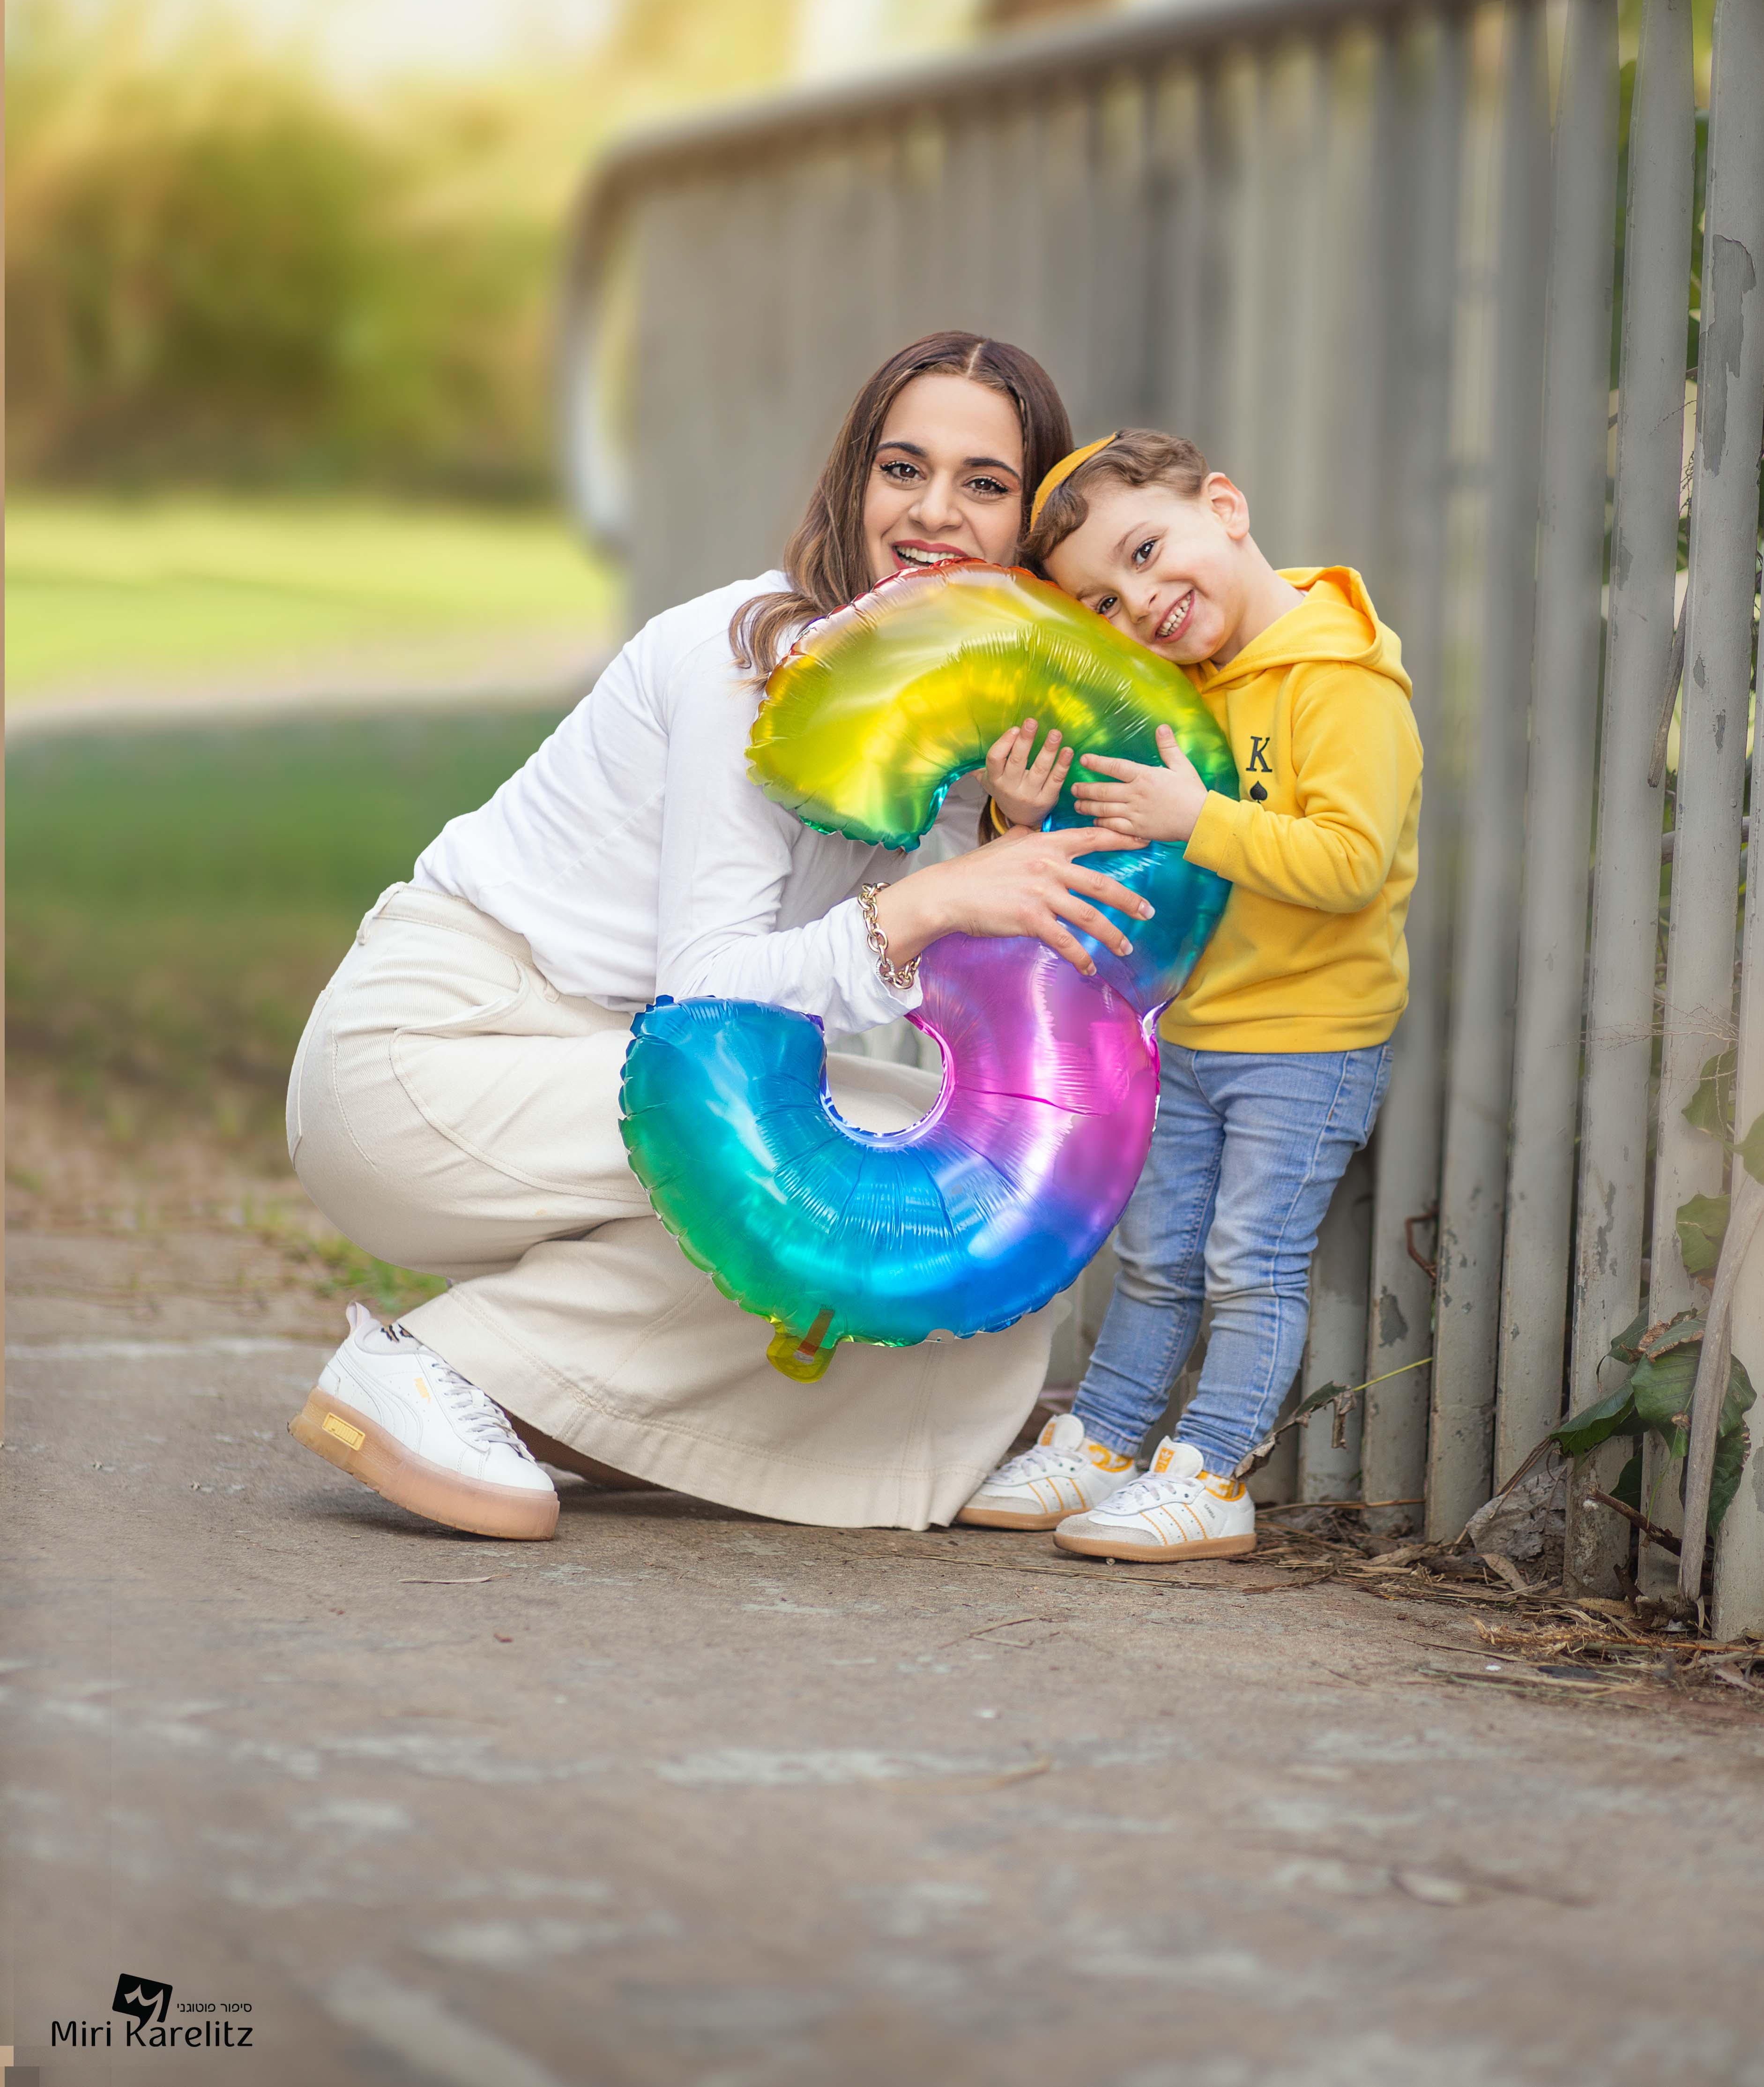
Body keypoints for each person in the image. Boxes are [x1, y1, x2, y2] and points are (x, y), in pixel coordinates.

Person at [284, 333, 1152, 1541]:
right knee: (854, 1144)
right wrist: (935, 900)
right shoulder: (747, 658)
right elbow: (713, 998)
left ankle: (556, 1398)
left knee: (976, 1186)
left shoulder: (953, 708)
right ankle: (444, 1367)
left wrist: (1002, 828)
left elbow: (941, 995)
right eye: (903, 469)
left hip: (601, 1070)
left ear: (1026, 525)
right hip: (434, 1054)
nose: (933, 512)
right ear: (853, 483)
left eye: (984, 483)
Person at [957, 429, 1421, 1561]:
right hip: (1195, 1029)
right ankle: (1103, 1441)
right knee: (1157, 1254)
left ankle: (1211, 1470)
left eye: (1149, 549)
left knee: (1247, 1262)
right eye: (1103, 603)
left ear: (1224, 504)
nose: (1143, 602)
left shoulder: (1337, 679)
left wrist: (1197, 819)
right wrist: (1018, 818)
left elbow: (1350, 864)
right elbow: (1107, 849)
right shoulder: (1184, 688)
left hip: (1306, 1041)